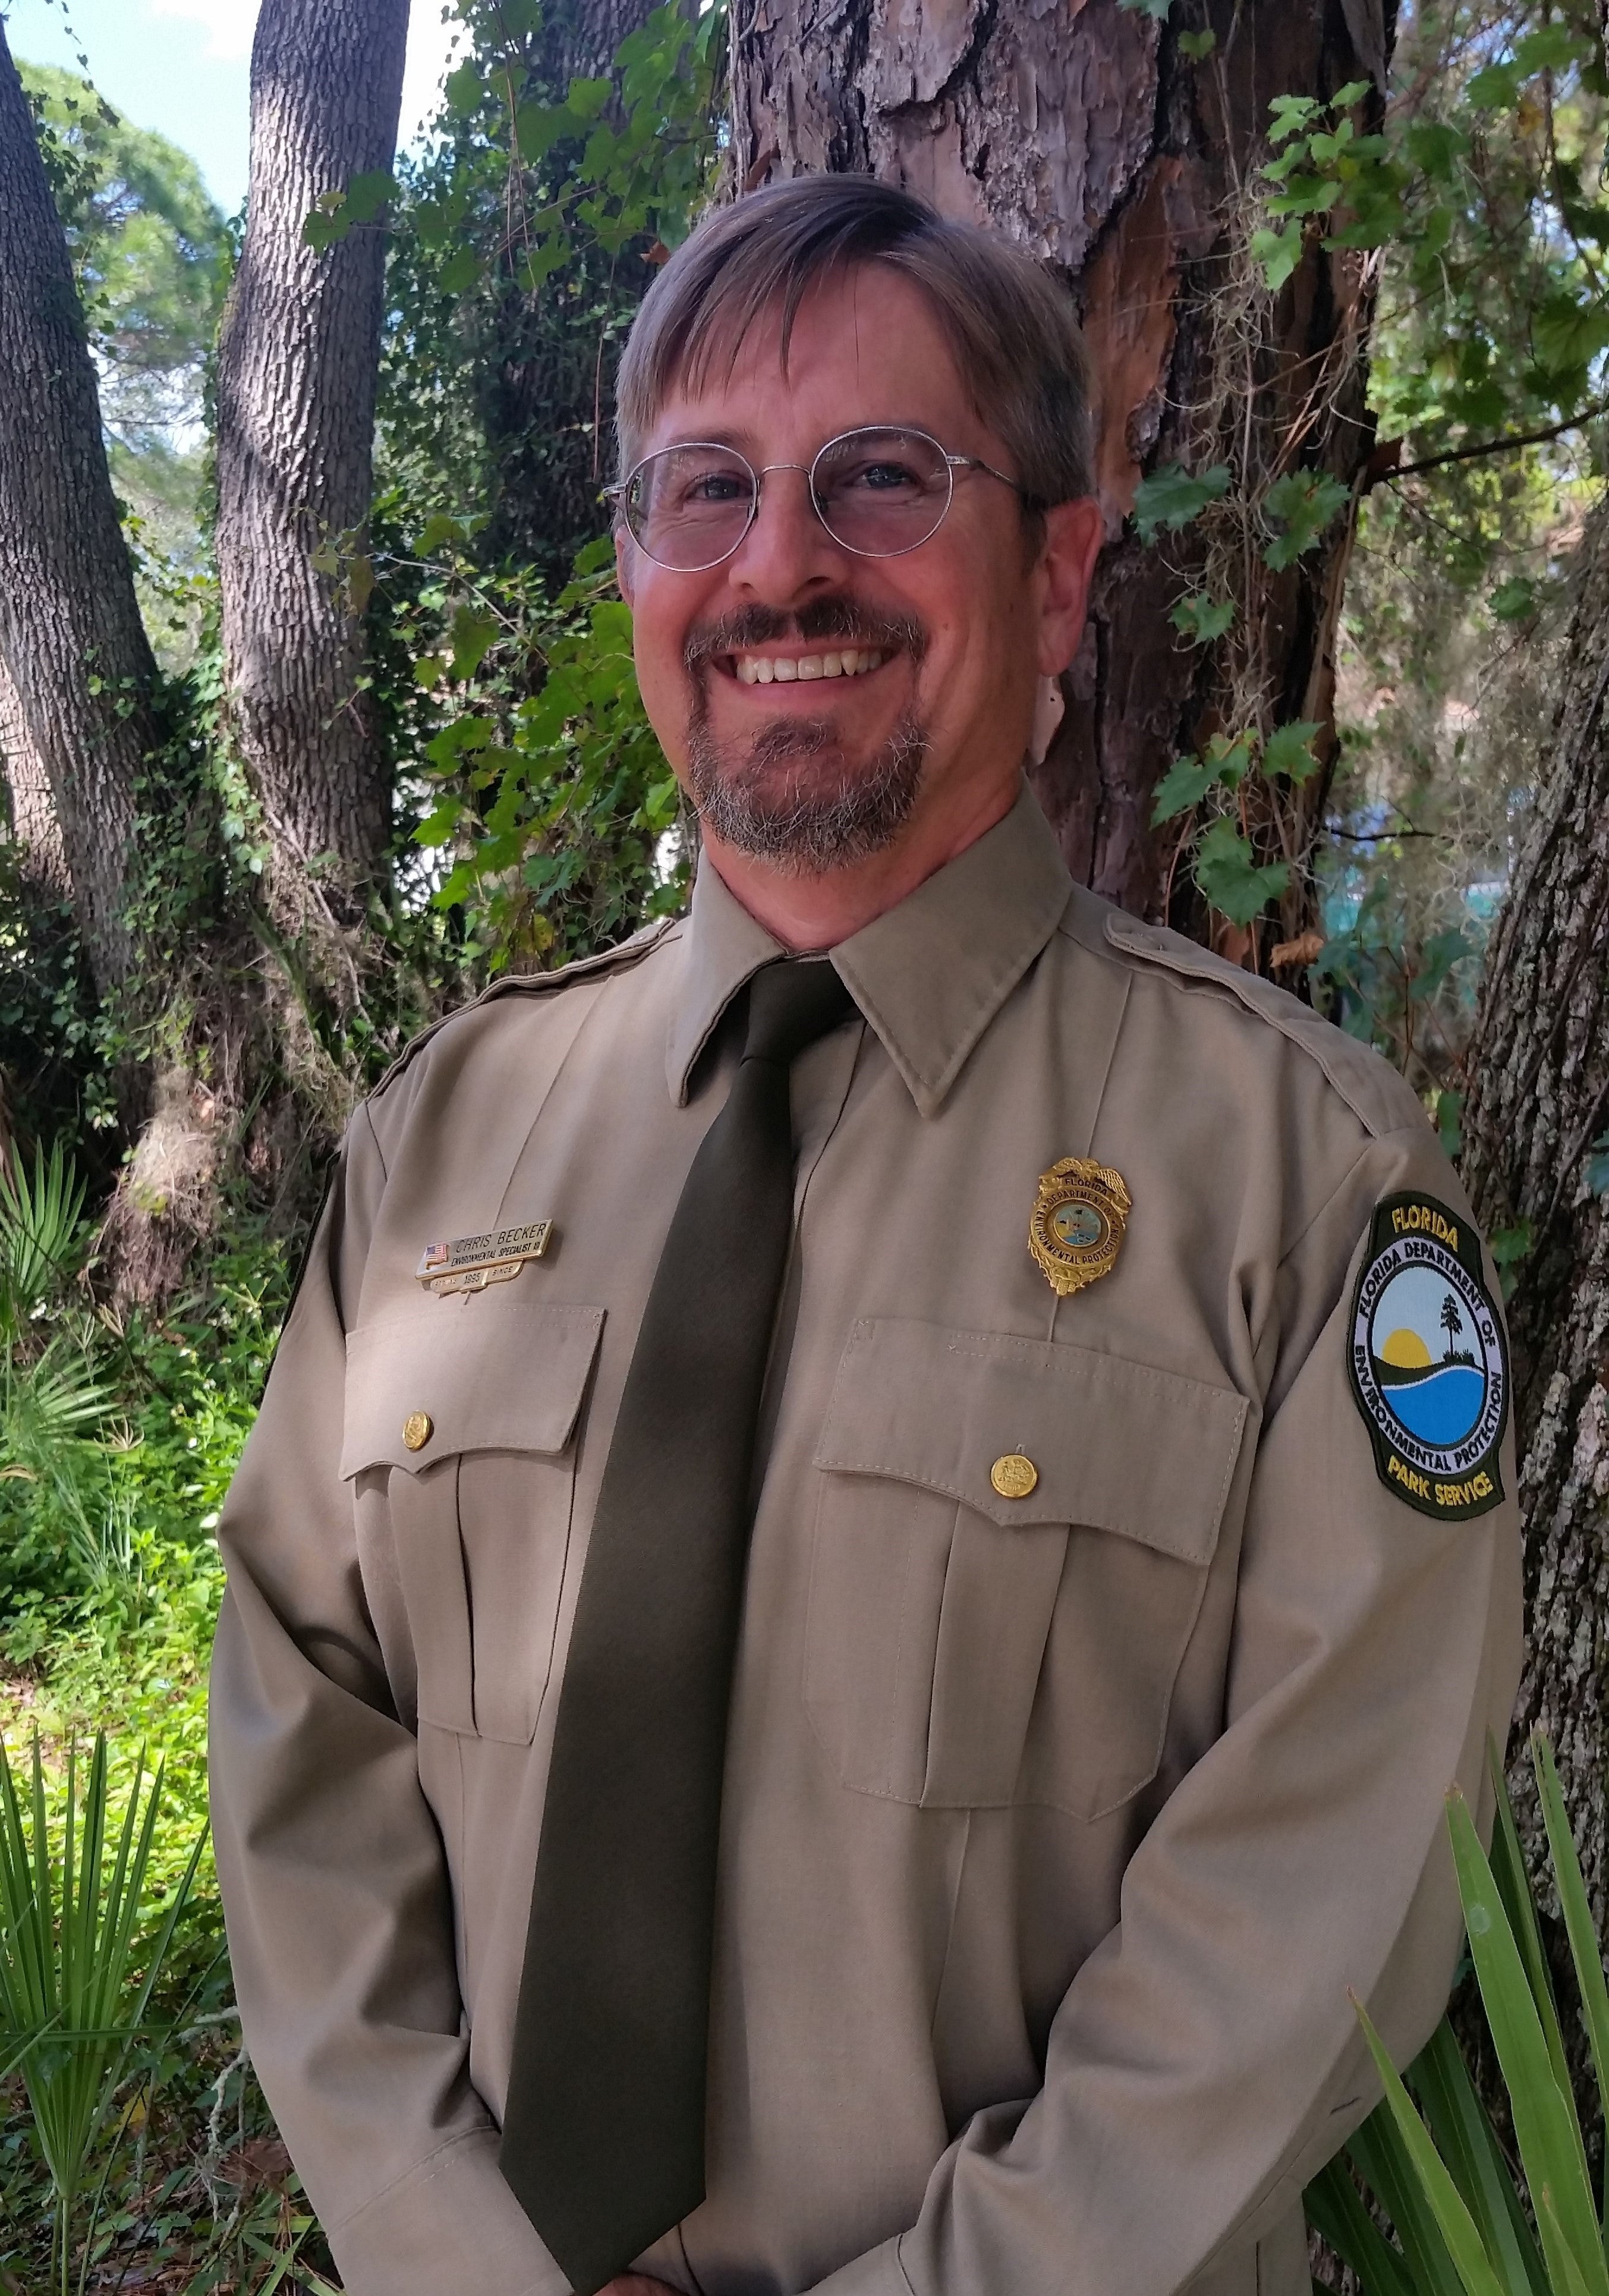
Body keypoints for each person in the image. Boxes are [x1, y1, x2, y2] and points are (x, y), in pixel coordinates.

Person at [209, 174, 1522, 2296]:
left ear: (1063, 568)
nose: (779, 563)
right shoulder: (447, 1138)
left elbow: (1327, 1894)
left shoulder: (1307, 1184)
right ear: (637, 569)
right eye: (701, 491)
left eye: (879, 479)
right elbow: (301, 1728)